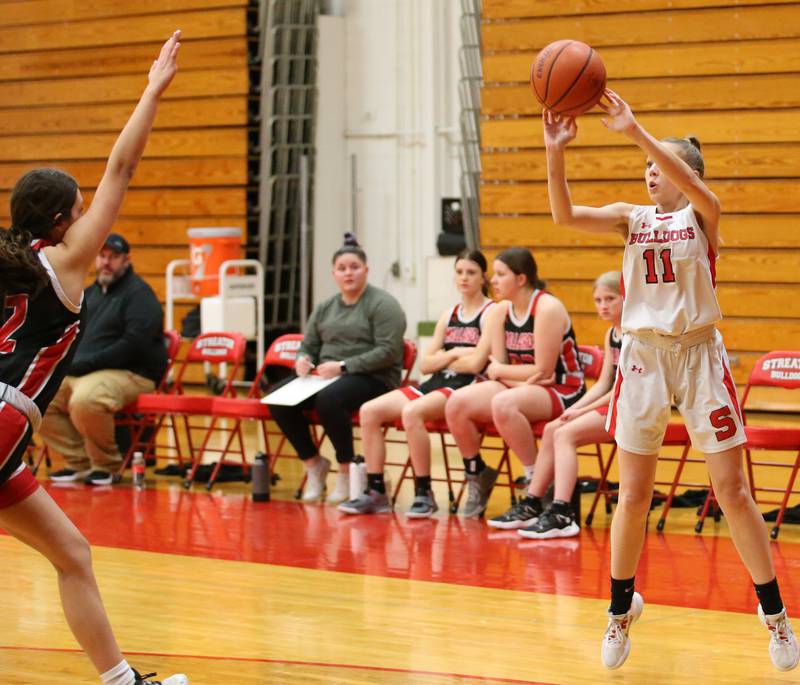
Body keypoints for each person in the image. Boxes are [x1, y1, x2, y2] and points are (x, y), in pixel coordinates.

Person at [543, 89, 798, 672]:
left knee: (733, 492)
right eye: (646, 167)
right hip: (642, 359)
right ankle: (619, 608)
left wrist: (636, 129)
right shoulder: (632, 219)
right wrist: (555, 151)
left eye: (660, 165)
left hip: (700, 356)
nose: (650, 172)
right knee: (632, 495)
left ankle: (775, 616)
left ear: (686, 173)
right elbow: (563, 214)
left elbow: (703, 192)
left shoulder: (701, 215)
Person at [0, 32, 185, 685]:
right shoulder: (64, 265)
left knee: (73, 552)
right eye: (80, 211)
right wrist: (151, 90)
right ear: (59, 222)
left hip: (7, 438)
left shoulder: (14, 267)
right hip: (1, 422)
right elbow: (121, 169)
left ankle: (121, 679)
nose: (90, 219)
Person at [338, 249, 494, 518]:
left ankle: (424, 491)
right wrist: (456, 353)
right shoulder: (449, 314)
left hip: (467, 386)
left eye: (471, 272)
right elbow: (425, 363)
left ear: (483, 277)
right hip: (435, 382)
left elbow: (477, 364)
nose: (464, 278)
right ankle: (376, 490)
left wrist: (446, 357)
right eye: (459, 272)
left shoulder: (491, 312)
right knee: (369, 411)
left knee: (412, 412)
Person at [444, 247, 585, 519]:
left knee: (503, 403)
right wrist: (515, 377)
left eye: (500, 275)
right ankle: (478, 475)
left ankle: (537, 482)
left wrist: (509, 374)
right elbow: (496, 367)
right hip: (525, 385)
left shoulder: (547, 307)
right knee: (457, 403)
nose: (492, 281)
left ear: (521, 279)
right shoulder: (500, 311)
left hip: (564, 387)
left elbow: (544, 369)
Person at [267, 235, 406, 504]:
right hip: (327, 376)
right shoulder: (325, 307)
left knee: (330, 399)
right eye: (342, 268)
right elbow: (308, 344)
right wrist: (303, 359)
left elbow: (388, 351)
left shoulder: (383, 304)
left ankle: (346, 470)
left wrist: (344, 366)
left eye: (354, 267)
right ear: (334, 274)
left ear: (366, 270)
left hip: (373, 377)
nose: (348, 273)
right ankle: (314, 463)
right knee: (278, 397)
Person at [488, 271, 622, 538]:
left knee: (564, 434)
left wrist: (580, 411)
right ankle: (533, 503)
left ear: (627, 297)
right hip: (613, 404)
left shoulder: (638, 334)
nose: (603, 306)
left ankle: (563, 513)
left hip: (633, 410)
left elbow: (622, 388)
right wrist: (574, 409)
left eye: (610, 299)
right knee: (554, 428)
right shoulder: (611, 335)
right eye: (598, 300)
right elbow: (604, 383)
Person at [41, 233, 167, 486]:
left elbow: (133, 345)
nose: (107, 262)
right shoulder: (89, 294)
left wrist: (85, 363)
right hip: (87, 371)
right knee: (38, 396)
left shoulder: (140, 294)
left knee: (87, 398)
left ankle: (106, 464)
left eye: (114, 257)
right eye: (102, 256)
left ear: (127, 260)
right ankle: (78, 462)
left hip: (133, 373)